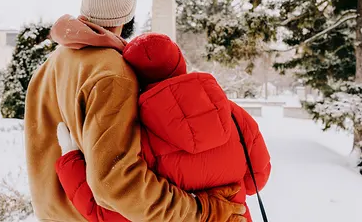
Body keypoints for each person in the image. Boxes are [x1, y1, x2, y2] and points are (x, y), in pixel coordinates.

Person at [24, 0, 247, 222]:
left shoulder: (47, 67)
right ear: (128, 14)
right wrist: (200, 212)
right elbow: (117, 182)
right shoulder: (112, 74)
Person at [54, 32, 272, 222]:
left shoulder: (138, 134)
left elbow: (114, 210)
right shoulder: (234, 114)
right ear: (180, 62)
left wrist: (71, 163)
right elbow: (257, 180)